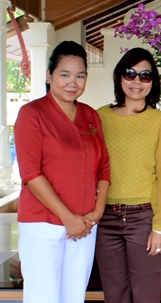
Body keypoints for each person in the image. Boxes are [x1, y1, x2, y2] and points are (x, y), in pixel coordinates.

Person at [15, 40, 110, 303]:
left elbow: (103, 167)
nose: (73, 82)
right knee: (42, 297)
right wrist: (68, 218)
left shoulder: (91, 115)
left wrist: (97, 213)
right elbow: (31, 174)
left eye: (80, 76)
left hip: (85, 224)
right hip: (43, 224)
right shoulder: (32, 114)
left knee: (73, 297)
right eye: (64, 75)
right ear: (49, 75)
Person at [95, 47, 161, 303]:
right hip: (105, 217)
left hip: (144, 218)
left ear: (153, 81)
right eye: (130, 74)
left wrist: (160, 227)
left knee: (146, 294)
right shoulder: (99, 117)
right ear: (120, 76)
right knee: (114, 294)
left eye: (145, 75)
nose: (137, 81)